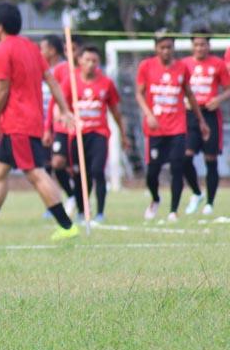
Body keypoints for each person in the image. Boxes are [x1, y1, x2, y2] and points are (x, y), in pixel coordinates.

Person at [0, 3, 80, 240]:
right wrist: (64, 109)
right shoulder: (31, 48)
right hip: (26, 121)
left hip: (18, 123)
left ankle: (66, 226)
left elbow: (2, 89)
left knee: (35, 174)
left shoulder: (2, 49)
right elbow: (51, 80)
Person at [135, 34, 209, 222]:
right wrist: (149, 115)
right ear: (156, 48)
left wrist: (201, 121)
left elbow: (190, 94)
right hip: (155, 129)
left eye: (169, 47)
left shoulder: (182, 67)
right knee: (153, 172)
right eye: (162, 47)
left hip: (177, 127)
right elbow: (139, 94)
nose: (166, 51)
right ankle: (155, 199)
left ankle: (173, 211)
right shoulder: (146, 66)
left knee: (178, 166)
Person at [61, 46, 130, 222]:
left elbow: (115, 111)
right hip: (77, 135)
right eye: (87, 60)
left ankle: (100, 212)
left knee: (97, 171)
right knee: (79, 174)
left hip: (99, 133)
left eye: (94, 61)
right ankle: (82, 211)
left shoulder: (106, 83)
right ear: (80, 62)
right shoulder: (71, 81)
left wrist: (123, 134)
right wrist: (65, 119)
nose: (91, 64)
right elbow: (62, 107)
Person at [180, 28, 230, 215]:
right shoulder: (184, 64)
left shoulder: (217, 64)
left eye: (203, 44)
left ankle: (209, 203)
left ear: (208, 45)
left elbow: (228, 88)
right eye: (197, 44)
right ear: (192, 46)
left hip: (210, 115)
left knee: (211, 159)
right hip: (190, 115)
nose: (200, 48)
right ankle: (196, 192)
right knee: (185, 157)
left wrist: (218, 99)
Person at [40, 34, 76, 213]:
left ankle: (72, 196)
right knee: (45, 165)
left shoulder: (63, 69)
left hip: (62, 125)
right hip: (44, 124)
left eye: (42, 48)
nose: (40, 52)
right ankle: (53, 202)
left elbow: (60, 96)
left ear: (52, 50)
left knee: (60, 163)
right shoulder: (41, 70)